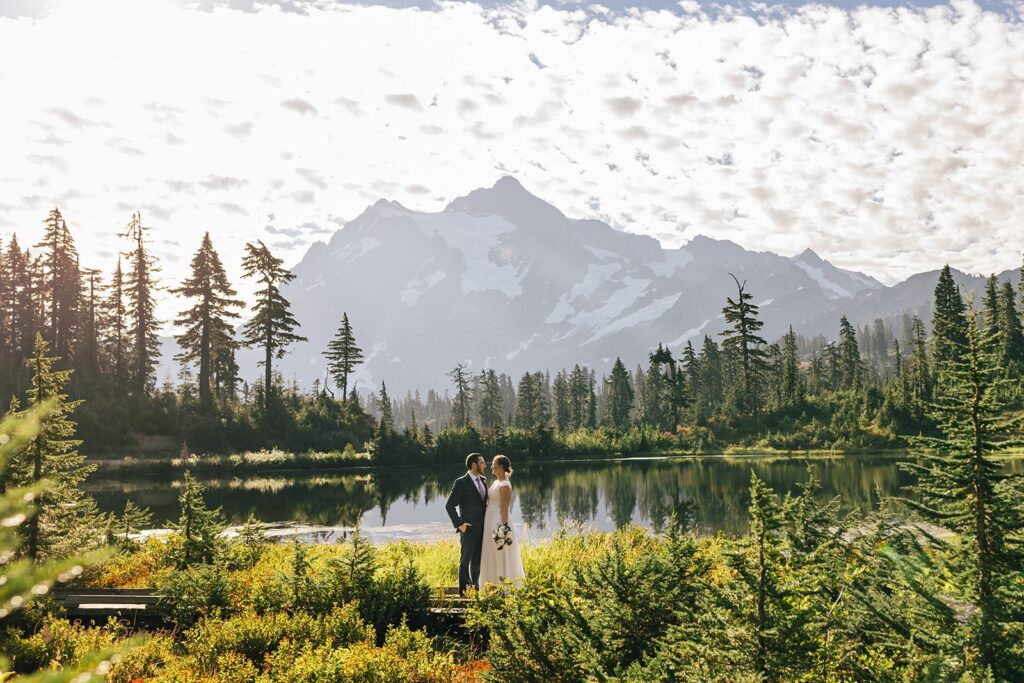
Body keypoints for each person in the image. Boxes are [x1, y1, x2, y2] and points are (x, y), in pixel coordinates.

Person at [444, 452, 489, 595]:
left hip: (482, 528)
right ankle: (463, 592)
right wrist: (460, 525)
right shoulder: (461, 482)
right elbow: (449, 505)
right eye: (482, 463)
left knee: (477, 561)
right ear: (474, 464)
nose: (484, 465)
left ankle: (475, 589)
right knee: (465, 561)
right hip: (468, 528)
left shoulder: (483, 480)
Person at [478, 454, 525, 589]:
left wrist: (503, 530)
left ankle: (504, 586)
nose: (491, 466)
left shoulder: (505, 485)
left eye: (494, 464)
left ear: (501, 467)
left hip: (498, 521)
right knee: (490, 553)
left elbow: (504, 509)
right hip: (489, 520)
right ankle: (491, 585)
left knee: (500, 553)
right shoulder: (496, 482)